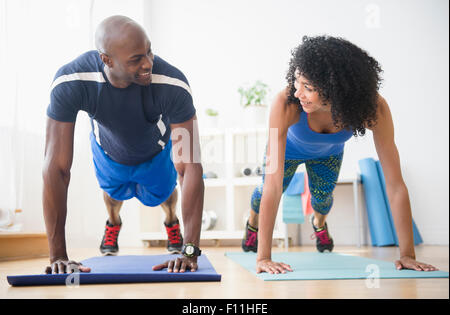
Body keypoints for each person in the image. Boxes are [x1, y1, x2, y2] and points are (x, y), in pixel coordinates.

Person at [241, 35, 439, 274]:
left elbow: (395, 185)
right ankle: (252, 224)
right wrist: (264, 258)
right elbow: (273, 185)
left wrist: (407, 255)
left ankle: (319, 224)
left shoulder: (373, 109)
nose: (298, 92)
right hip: (289, 153)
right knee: (264, 191)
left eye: (308, 88)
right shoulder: (286, 103)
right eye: (296, 81)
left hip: (328, 155)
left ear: (336, 90)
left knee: (322, 200)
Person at [43, 15, 204, 274]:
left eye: (149, 51)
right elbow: (56, 168)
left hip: (155, 153)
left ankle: (171, 222)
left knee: (164, 195)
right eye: (136, 59)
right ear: (106, 59)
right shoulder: (72, 81)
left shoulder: (172, 84)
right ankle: (113, 222)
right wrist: (57, 257)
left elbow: (190, 167)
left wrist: (190, 250)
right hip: (108, 152)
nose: (148, 63)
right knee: (113, 195)